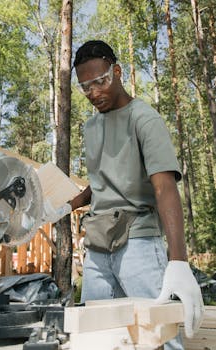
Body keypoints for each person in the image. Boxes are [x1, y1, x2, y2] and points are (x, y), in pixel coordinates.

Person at [56, 40, 204, 349]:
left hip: (137, 242)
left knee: (160, 336)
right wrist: (62, 206)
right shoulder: (92, 127)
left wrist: (178, 261)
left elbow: (165, 187)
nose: (94, 92)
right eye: (85, 87)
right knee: (94, 337)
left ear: (117, 71)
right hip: (97, 247)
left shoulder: (144, 119)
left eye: (100, 81)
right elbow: (100, 184)